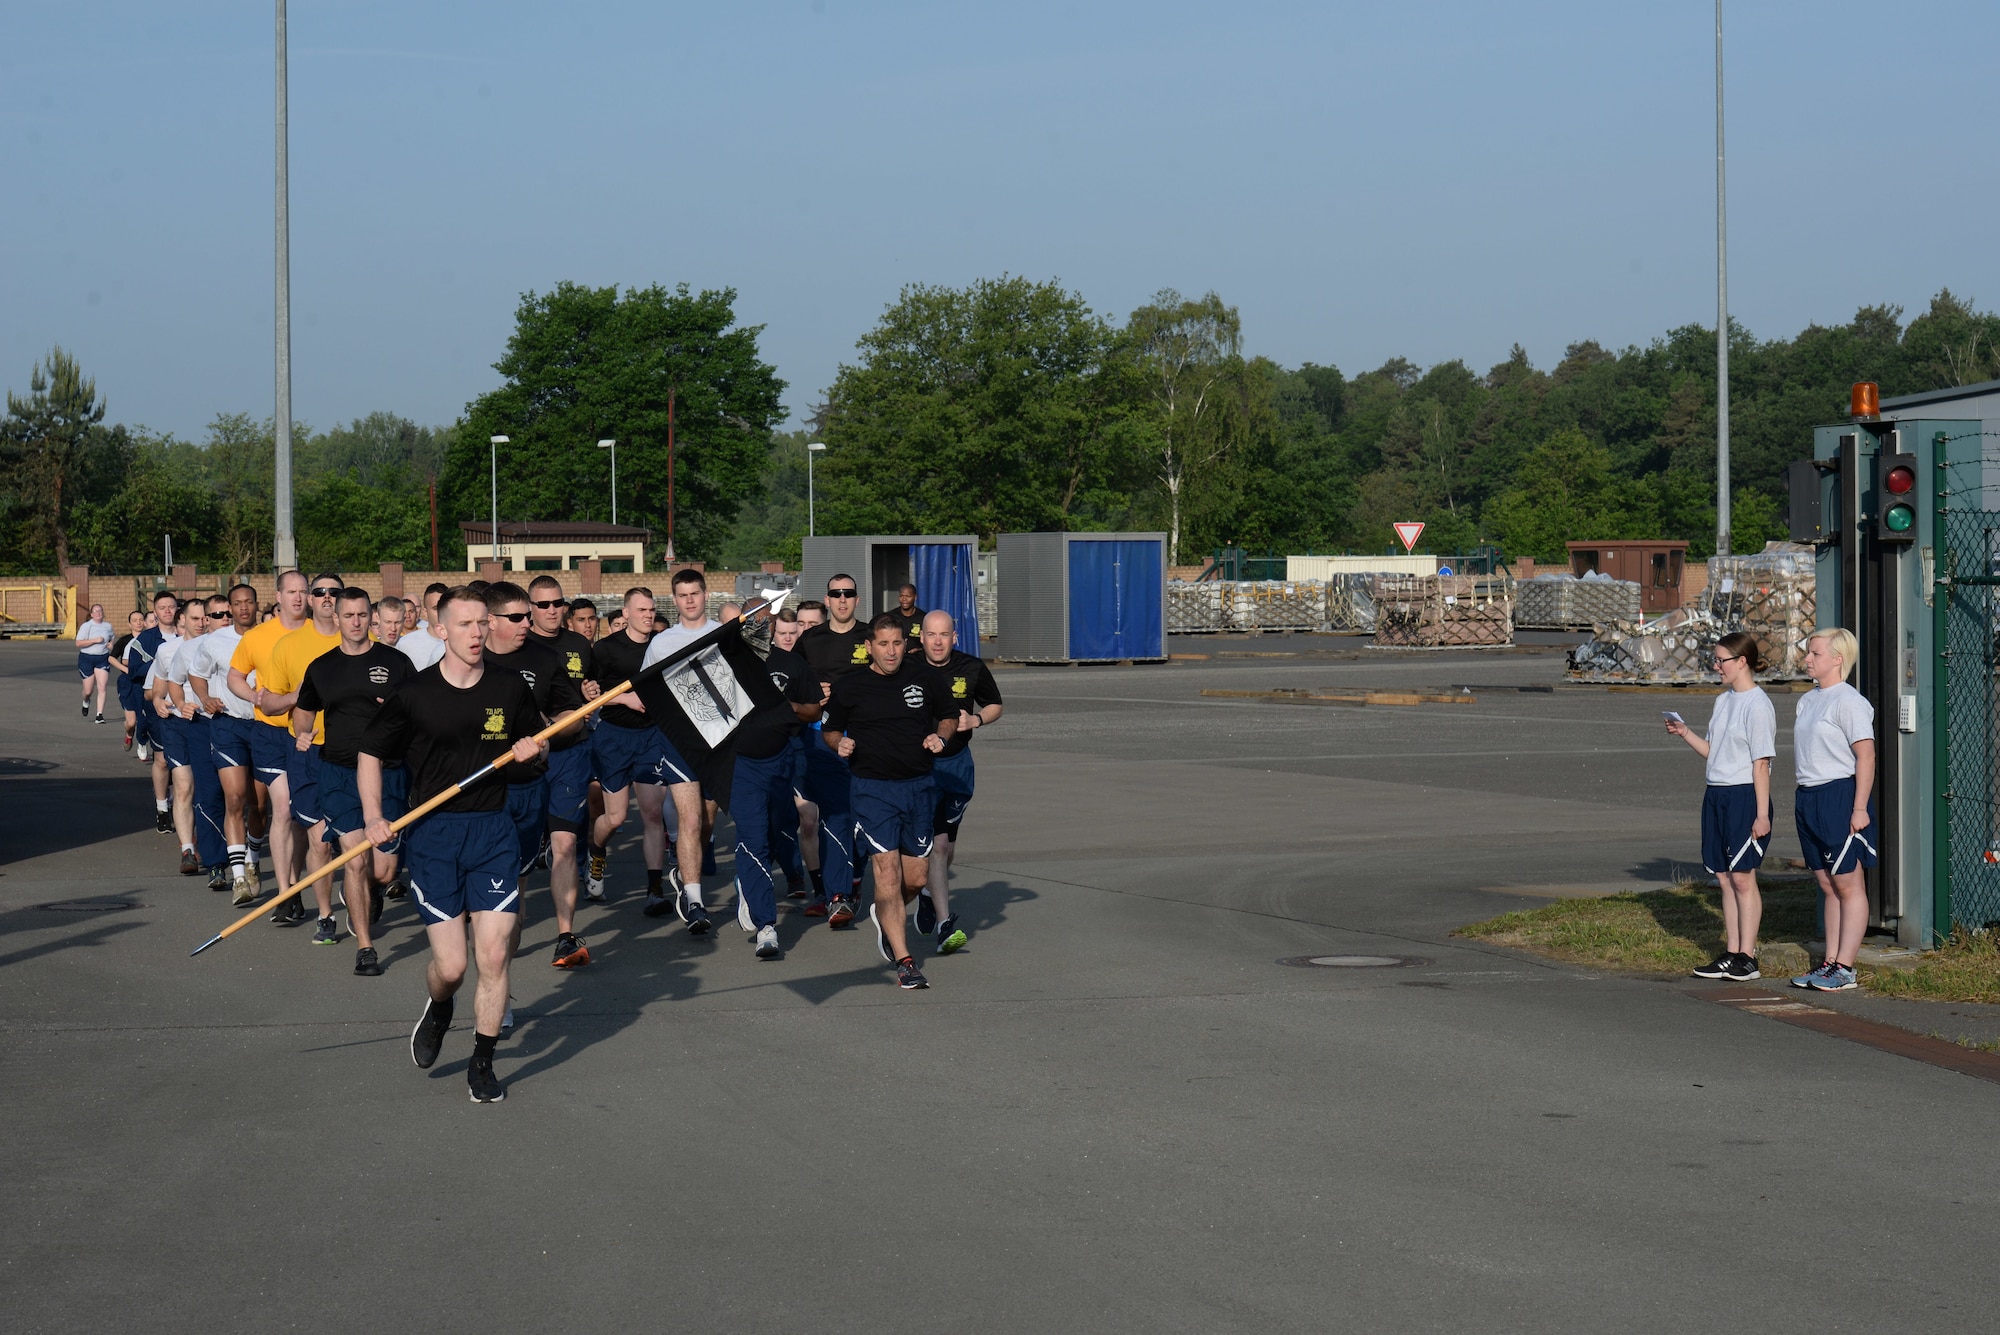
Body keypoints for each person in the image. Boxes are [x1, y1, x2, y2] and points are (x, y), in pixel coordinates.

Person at [359, 586, 546, 1103]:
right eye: (465, 624)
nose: (477, 633)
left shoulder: (509, 687)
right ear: (440, 630)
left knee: (492, 956)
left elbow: (537, 742)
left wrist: (534, 748)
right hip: (434, 833)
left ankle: (482, 1061)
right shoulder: (414, 694)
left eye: (482, 623)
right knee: (453, 968)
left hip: (492, 830)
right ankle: (440, 1009)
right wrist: (375, 817)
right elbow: (371, 753)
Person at [822, 613, 958, 989]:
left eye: (897, 642)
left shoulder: (925, 677)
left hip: (919, 787)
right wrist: (840, 743)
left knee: (914, 878)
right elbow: (830, 729)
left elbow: (947, 716)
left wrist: (941, 738)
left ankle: (887, 914)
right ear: (869, 647)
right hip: (872, 791)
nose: (891, 651)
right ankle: (905, 959)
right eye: (882, 644)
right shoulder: (850, 686)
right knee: (887, 873)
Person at [297, 589, 417, 975]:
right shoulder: (321, 667)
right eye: (348, 615)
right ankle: (365, 947)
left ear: (374, 618)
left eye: (363, 615)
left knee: (382, 869)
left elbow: (419, 713)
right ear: (337, 618)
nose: (355, 622)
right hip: (339, 773)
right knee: (354, 857)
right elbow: (303, 714)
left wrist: (399, 714)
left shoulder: (397, 663)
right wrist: (303, 734)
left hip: (389, 772)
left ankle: (374, 890)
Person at [484, 582, 590, 968]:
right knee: (499, 885)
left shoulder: (545, 659)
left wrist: (549, 728)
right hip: (487, 787)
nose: (527, 622)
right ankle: (496, 968)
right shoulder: (469, 659)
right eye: (517, 617)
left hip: (542, 773)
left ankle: (562, 935)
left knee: (548, 855)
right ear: (490, 622)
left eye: (528, 615)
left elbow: (572, 716)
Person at [1666, 631, 1775, 981]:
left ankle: (1748, 955)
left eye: (1721, 660)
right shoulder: (1723, 701)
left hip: (1744, 796)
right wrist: (1685, 733)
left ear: (1742, 662)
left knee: (1743, 878)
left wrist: (1760, 814)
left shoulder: (1758, 705)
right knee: (1725, 878)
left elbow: (1761, 764)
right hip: (1717, 793)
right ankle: (1732, 951)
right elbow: (1714, 751)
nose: (1716, 666)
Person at [727, 613, 823, 960]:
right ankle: (767, 925)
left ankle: (750, 887)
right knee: (753, 836)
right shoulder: (725, 665)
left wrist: (788, 706)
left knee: (776, 831)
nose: (755, 631)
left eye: (760, 624)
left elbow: (813, 710)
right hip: (741, 766)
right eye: (747, 625)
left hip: (784, 759)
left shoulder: (790, 663)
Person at [1790, 628, 1877, 992]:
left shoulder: (1849, 701)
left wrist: (1859, 807)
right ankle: (1829, 963)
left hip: (1838, 796)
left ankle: (1845, 968)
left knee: (1847, 882)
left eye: (1815, 653)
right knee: (1827, 883)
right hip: (1808, 796)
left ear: (1837, 659)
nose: (1807, 659)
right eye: (1808, 653)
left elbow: (1866, 755)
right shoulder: (1808, 700)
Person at [263, 575, 345, 941]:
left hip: (356, 756)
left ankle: (367, 885)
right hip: (308, 752)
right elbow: (267, 701)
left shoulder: (367, 643)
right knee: (320, 842)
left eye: (335, 593)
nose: (327, 598)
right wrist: (297, 699)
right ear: (310, 600)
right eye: (320, 592)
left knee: (363, 847)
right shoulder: (290, 645)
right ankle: (326, 915)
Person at [917, 609, 1002, 955]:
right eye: (931, 635)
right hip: (922, 769)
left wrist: (977, 720)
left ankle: (926, 892)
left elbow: (996, 704)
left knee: (947, 847)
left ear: (955, 637)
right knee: (937, 846)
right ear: (921, 638)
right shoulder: (908, 668)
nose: (937, 642)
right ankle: (944, 924)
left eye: (944, 635)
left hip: (958, 767)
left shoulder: (971, 667)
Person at [228, 572, 311, 917]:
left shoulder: (321, 633)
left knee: (301, 816)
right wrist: (254, 697)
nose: (298, 598)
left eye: (303, 592)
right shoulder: (259, 636)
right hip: (271, 732)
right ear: (277, 596)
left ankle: (295, 880)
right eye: (291, 592)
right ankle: (286, 892)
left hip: (310, 734)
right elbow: (235, 676)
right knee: (284, 807)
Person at [528, 576, 601, 952]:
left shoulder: (578, 644)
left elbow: (586, 688)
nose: (552, 610)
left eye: (558, 603)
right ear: (530, 608)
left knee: (566, 844)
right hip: (526, 756)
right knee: (519, 850)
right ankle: (504, 924)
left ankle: (565, 934)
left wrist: (590, 692)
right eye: (543, 605)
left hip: (571, 752)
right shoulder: (520, 645)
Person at [796, 575, 874, 925]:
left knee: (865, 821)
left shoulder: (871, 637)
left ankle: (853, 878)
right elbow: (790, 689)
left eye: (848, 594)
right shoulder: (810, 640)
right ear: (826, 600)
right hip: (822, 739)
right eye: (835, 594)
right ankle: (837, 895)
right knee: (835, 815)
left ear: (857, 599)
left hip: (868, 740)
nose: (842, 599)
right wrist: (813, 694)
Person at [189, 583, 266, 904]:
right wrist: (205, 698)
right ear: (230, 608)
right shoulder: (214, 641)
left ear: (257, 605)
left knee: (258, 805)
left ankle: (253, 860)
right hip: (227, 726)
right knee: (233, 798)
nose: (244, 608)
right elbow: (197, 674)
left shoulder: (270, 636)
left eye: (249, 602)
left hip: (264, 726)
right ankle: (238, 879)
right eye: (238, 603)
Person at [147, 595, 203, 874]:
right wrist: (158, 701)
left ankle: (205, 838)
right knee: (183, 786)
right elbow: (158, 690)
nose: (201, 623)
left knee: (208, 790)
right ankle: (187, 850)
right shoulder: (168, 651)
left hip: (210, 723)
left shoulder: (224, 647)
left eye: (206, 617)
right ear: (182, 620)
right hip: (178, 724)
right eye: (195, 618)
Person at [133, 591, 179, 830]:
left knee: (182, 763)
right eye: (163, 607)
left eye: (172, 606)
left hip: (187, 707)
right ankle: (162, 808)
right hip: (157, 706)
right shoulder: (146, 640)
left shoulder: (189, 635)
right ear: (155, 611)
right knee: (161, 760)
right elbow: (135, 670)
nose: (168, 611)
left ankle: (181, 805)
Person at [111, 610, 146, 752]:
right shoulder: (125, 640)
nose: (138, 622)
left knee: (145, 718)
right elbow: (111, 657)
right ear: (129, 624)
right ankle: (129, 734)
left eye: (140, 619)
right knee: (131, 722)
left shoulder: (148, 639)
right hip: (128, 682)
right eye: (135, 620)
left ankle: (143, 744)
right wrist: (125, 669)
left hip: (144, 681)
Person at [76, 603, 113, 723]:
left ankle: (99, 715)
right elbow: (78, 643)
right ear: (91, 614)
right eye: (95, 611)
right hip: (86, 658)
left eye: (100, 611)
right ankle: (86, 701)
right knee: (88, 691)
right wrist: (95, 640)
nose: (98, 613)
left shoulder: (107, 626)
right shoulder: (87, 626)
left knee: (102, 687)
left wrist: (111, 644)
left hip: (102, 658)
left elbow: (112, 637)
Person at [400, 584, 450, 671]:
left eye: (444, 607)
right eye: (435, 608)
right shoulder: (406, 644)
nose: (441, 612)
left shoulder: (461, 642)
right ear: (425, 612)